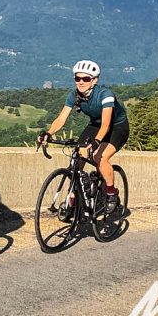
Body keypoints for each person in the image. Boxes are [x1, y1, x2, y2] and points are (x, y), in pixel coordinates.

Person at [38, 59, 128, 214]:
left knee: (100, 157)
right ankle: (73, 200)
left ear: (94, 80)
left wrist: (96, 142)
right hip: (95, 125)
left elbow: (106, 124)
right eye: (77, 78)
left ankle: (112, 193)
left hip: (117, 127)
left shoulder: (105, 95)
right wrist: (48, 133)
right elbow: (61, 119)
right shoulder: (74, 95)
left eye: (85, 79)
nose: (80, 82)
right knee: (76, 161)